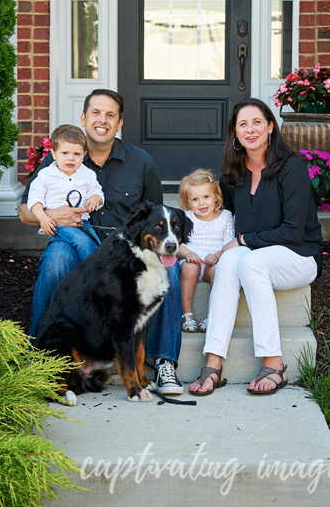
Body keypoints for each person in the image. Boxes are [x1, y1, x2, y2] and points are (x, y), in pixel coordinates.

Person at [19, 89, 184, 394]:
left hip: (125, 253)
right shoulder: (60, 157)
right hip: (75, 241)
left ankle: (164, 363)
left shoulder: (141, 162)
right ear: (83, 118)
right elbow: (25, 213)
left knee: (171, 270)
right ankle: (39, 361)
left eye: (110, 115)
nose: (102, 120)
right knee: (56, 260)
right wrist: (53, 214)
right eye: (96, 113)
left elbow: (159, 222)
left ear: (119, 123)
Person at [189, 98, 322, 397]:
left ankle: (274, 363)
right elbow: (219, 216)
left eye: (257, 122)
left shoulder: (292, 168)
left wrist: (243, 241)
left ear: (271, 126)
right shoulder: (234, 174)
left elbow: (292, 231)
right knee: (227, 262)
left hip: (299, 255)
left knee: (246, 260)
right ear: (235, 133)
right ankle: (214, 363)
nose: (250, 130)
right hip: (256, 257)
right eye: (242, 125)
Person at [27, 124, 104, 256]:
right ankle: (89, 274)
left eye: (76, 154)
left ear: (84, 155)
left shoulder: (88, 174)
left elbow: (97, 191)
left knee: (96, 247)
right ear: (54, 154)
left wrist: (96, 197)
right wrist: (43, 218)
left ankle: (87, 272)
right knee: (83, 243)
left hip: (82, 223)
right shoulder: (45, 176)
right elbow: (34, 201)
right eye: (65, 153)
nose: (71, 158)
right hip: (57, 225)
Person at [176, 169, 234, 333]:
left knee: (219, 270)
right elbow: (177, 244)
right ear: (187, 201)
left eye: (206, 197)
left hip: (212, 264)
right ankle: (187, 314)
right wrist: (187, 254)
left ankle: (212, 315)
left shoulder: (226, 216)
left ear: (216, 196)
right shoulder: (186, 217)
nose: (201, 203)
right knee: (188, 267)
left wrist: (217, 255)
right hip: (192, 262)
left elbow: (229, 243)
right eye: (195, 199)